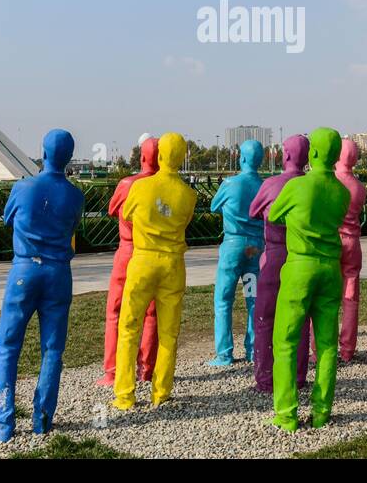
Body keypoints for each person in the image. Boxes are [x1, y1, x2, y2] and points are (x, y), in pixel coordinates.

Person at [0, 129, 84, 441]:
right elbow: (71, 225)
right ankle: (42, 418)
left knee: (8, 346)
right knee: (52, 349)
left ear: (42, 152)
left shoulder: (23, 187)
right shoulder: (75, 195)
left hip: (24, 271)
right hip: (58, 274)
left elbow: (8, 219)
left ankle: (3, 422)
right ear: (69, 158)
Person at [268, 127, 350, 432]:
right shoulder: (342, 193)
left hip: (299, 267)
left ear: (312, 153)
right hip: (330, 269)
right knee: (327, 344)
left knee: (287, 341)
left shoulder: (297, 187)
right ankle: (321, 411)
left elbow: (274, 215)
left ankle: (286, 414)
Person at [114, 132, 197, 409]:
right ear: (182, 158)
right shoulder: (189, 195)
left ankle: (125, 394)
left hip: (143, 261)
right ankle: (161, 392)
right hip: (173, 265)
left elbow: (125, 215)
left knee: (129, 326)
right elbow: (183, 221)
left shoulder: (140, 188)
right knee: (169, 332)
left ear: (160, 155)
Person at [248, 134, 311, 393]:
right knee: (301, 319)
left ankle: (265, 377)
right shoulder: (312, 186)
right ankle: (297, 376)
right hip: (303, 258)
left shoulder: (272, 185)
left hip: (274, 257)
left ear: (285, 156)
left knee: (265, 317)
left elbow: (253, 211)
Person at [96, 136, 159, 387]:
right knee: (151, 312)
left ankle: (113, 371)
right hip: (154, 252)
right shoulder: (166, 184)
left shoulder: (127, 183)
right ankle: (147, 369)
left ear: (141, 157)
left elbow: (113, 210)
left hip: (128, 251)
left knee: (116, 311)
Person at [207, 139, 265, 366]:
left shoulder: (231, 184)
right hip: (255, 248)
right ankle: (253, 349)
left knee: (224, 299)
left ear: (241, 158)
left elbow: (213, 206)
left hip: (233, 246)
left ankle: (224, 353)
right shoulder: (263, 186)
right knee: (253, 298)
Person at [334, 138, 366, 362]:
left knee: (326, 296)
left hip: (332, 241)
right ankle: (347, 349)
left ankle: (319, 347)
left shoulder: (331, 183)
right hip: (353, 243)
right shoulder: (360, 187)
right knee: (351, 297)